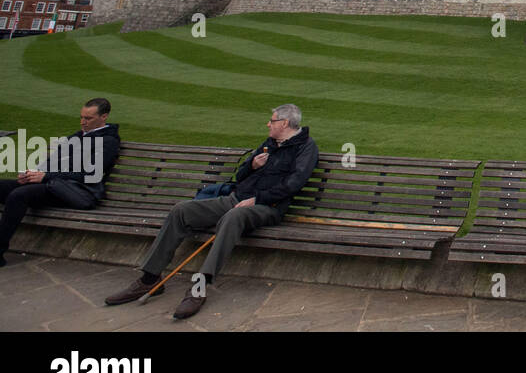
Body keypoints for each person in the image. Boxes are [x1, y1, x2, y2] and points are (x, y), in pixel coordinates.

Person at [105, 103, 319, 319]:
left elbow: (294, 183)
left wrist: (257, 199)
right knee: (181, 210)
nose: (268, 124)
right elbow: (240, 176)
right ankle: (149, 279)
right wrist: (252, 165)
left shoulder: (306, 147)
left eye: (271, 121)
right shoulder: (270, 143)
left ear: (284, 123)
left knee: (233, 216)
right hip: (235, 199)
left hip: (267, 207)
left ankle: (200, 286)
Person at [0, 98, 120, 267]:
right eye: (81, 117)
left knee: (18, 195)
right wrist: (31, 174)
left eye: (88, 118)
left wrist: (46, 176)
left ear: (104, 117)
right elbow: (50, 163)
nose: (82, 122)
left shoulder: (109, 142)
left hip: (78, 192)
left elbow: (91, 175)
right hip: (54, 186)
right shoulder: (76, 137)